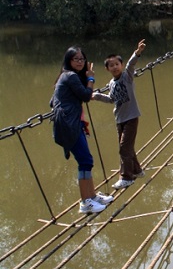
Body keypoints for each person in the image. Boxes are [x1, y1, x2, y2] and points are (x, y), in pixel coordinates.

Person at [51, 46, 114, 214]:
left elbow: (53, 101)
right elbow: (86, 96)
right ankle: (85, 202)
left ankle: (92, 197)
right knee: (85, 161)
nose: (80, 62)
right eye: (76, 59)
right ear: (69, 61)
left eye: (82, 59)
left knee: (86, 160)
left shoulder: (65, 77)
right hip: (69, 125)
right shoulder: (70, 76)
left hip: (71, 123)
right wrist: (91, 78)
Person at [93, 40, 146, 189]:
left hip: (131, 117)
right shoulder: (111, 83)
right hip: (119, 119)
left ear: (121, 66)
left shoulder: (127, 77)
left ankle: (127, 177)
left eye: (117, 64)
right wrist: (96, 96)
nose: (115, 67)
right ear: (107, 68)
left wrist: (137, 52)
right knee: (127, 147)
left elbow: (131, 65)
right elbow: (111, 99)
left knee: (124, 148)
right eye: (111, 65)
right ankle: (137, 170)